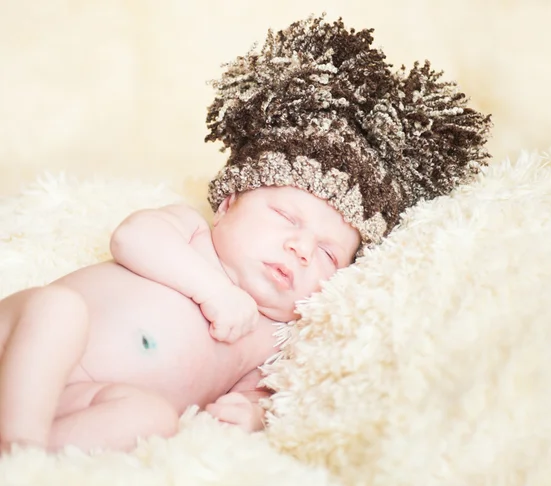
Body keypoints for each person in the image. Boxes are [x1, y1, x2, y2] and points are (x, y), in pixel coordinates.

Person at [0, 16, 491, 454]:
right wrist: (213, 291)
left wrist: (255, 413)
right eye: (286, 215)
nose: (300, 247)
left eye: (327, 253)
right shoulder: (188, 232)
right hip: (22, 347)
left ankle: (27, 456)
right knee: (57, 309)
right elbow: (131, 237)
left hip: (86, 401)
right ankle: (17, 436)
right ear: (228, 203)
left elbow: (266, 391)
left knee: (152, 419)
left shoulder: (273, 336)